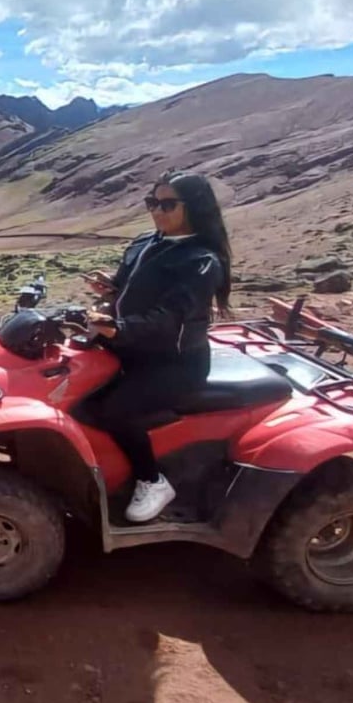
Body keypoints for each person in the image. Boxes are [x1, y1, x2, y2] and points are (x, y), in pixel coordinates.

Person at [83, 172, 232, 523]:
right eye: (153, 203)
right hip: (132, 349)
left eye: (168, 204)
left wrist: (117, 329)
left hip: (175, 364)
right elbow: (128, 288)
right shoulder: (145, 242)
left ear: (193, 207)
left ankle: (152, 479)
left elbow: (170, 319)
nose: (157, 212)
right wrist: (111, 291)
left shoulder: (200, 261)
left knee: (115, 409)